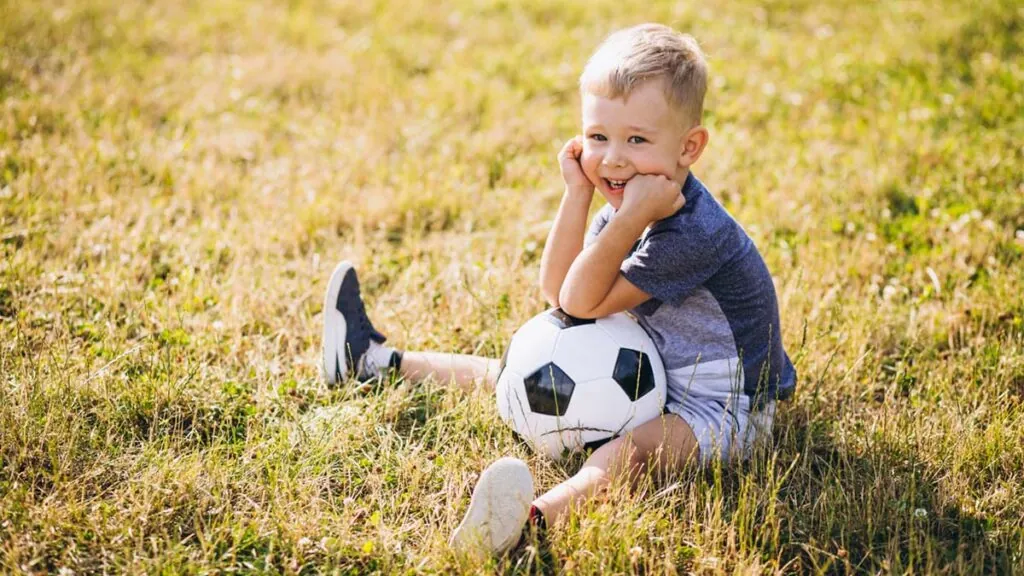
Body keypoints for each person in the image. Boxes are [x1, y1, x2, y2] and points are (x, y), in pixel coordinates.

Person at [320, 23, 797, 556]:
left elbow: (579, 301)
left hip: (726, 407)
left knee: (629, 453)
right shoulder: (630, 203)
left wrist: (626, 218)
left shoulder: (689, 231)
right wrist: (578, 195)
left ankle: (529, 524)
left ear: (689, 147)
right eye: (598, 138)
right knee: (527, 371)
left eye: (637, 140)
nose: (613, 159)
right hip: (656, 364)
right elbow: (559, 295)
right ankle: (372, 360)